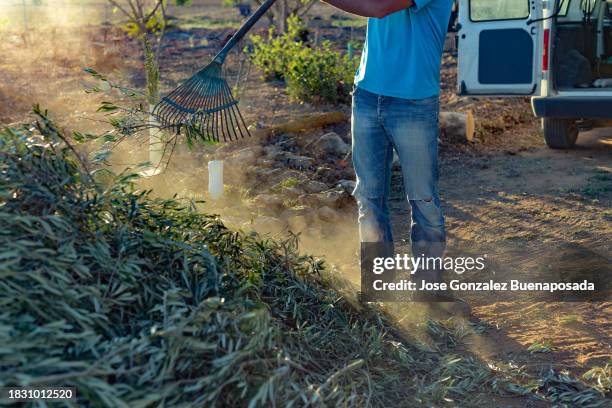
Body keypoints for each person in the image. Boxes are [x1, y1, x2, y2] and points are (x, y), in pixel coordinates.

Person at [323, 0, 461, 305]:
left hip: (413, 103)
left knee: (423, 198)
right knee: (369, 198)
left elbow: (380, 6)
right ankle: (377, 289)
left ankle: (428, 290)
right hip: (367, 96)